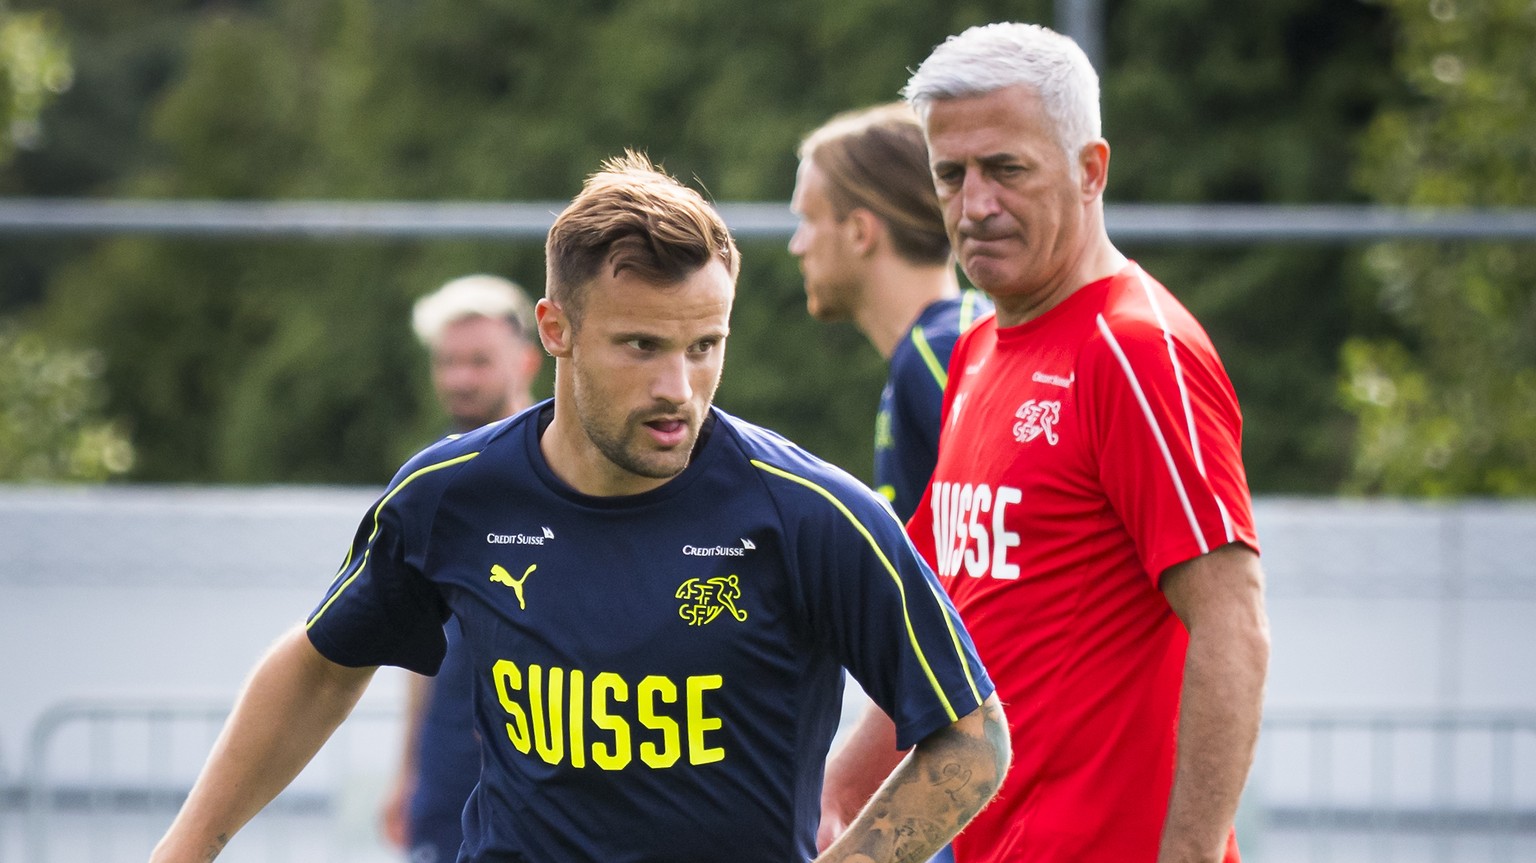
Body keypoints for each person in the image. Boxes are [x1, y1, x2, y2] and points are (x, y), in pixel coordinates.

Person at [151, 151, 1008, 863]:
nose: (678, 388)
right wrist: (183, 850)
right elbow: (322, 665)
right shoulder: (451, 494)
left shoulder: (814, 515)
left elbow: (971, 738)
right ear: (555, 328)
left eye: (705, 346)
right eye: (640, 344)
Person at [818, 23, 1271, 863]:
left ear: (1091, 170)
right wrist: (849, 780)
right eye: (951, 175)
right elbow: (952, 613)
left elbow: (1232, 621)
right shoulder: (981, 352)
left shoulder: (1133, 350)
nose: (975, 204)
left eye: (1007, 169)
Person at [379, 274, 544, 863]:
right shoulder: (431, 483)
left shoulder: (569, 470)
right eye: (448, 362)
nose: (461, 378)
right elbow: (415, 641)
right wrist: (408, 769)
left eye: (479, 361)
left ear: (527, 359)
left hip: (550, 760)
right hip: (451, 760)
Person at [789, 102, 991, 523]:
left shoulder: (944, 353)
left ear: (860, 232)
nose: (798, 245)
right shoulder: (938, 345)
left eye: (809, 219)